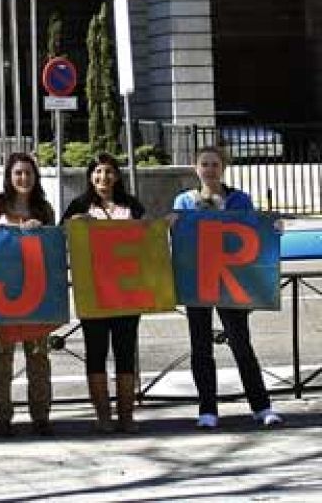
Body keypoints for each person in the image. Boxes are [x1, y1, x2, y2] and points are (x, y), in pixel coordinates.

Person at [173, 146, 282, 429]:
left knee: (241, 344)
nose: (210, 169)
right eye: (204, 164)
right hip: (197, 280)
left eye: (215, 164)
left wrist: (272, 227)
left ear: (224, 167)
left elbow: (253, 231)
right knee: (200, 347)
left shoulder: (239, 199)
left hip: (231, 282)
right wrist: (170, 224)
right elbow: (178, 239)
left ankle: (261, 406)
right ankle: (207, 409)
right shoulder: (184, 201)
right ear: (196, 169)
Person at [61, 155, 146, 433]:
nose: (103, 177)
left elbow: (149, 238)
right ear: (90, 177)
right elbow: (60, 239)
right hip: (93, 291)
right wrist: (73, 223)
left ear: (117, 176)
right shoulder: (79, 205)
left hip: (127, 292)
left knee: (125, 351)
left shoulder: (132, 205)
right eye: (97, 172)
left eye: (109, 172)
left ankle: (126, 415)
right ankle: (103, 416)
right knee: (95, 352)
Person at [0, 152, 56, 437]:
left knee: (38, 355)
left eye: (28, 173)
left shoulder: (44, 209)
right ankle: (3, 416)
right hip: (1, 289)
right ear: (9, 177)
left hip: (35, 289)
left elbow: (53, 243)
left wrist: (40, 230)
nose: (23, 178)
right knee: (1, 355)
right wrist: (5, 227)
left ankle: (41, 415)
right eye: (18, 173)